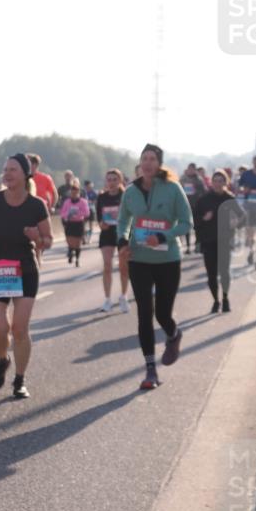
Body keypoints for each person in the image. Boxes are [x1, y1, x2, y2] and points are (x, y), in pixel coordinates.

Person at [0, 154, 54, 399]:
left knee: (19, 329)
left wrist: (36, 238)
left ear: (25, 174)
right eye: (5, 170)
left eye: (13, 170)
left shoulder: (36, 205)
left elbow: (48, 240)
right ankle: (2, 359)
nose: (7, 174)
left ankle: (20, 380)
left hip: (26, 271)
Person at [117, 144, 192, 391]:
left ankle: (173, 334)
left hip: (168, 260)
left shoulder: (172, 188)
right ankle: (150, 369)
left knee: (162, 314)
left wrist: (163, 237)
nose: (148, 163)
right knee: (144, 314)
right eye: (144, 158)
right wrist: (122, 241)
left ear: (159, 164)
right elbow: (123, 221)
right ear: (140, 163)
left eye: (152, 159)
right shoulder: (130, 191)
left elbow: (186, 223)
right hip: (139, 260)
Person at [194, 170, 245, 313]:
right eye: (215, 180)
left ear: (225, 182)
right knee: (211, 274)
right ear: (211, 182)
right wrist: (204, 218)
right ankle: (215, 301)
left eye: (220, 181)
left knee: (224, 272)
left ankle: (225, 298)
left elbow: (243, 218)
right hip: (208, 241)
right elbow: (193, 219)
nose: (217, 183)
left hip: (225, 240)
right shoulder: (203, 199)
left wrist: (235, 222)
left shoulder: (230, 198)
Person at [96, 169, 130, 313]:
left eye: (114, 179)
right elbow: (99, 218)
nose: (111, 182)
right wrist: (102, 224)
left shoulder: (126, 196)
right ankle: (107, 299)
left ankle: (123, 296)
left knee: (123, 267)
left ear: (120, 181)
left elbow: (131, 216)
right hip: (107, 234)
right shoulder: (101, 197)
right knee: (107, 265)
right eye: (109, 179)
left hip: (122, 233)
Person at [60, 179, 91, 266]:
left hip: (79, 223)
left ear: (79, 193)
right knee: (69, 241)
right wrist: (68, 214)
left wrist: (77, 213)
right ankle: (70, 252)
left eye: (75, 192)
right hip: (69, 223)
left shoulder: (83, 202)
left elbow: (87, 213)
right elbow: (62, 213)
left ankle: (77, 259)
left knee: (77, 244)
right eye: (72, 193)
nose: (73, 194)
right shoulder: (67, 202)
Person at [180, 164, 206, 253]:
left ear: (195, 170)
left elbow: (204, 192)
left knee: (197, 227)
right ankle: (187, 247)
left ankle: (197, 245)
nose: (190, 171)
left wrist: (196, 191)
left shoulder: (199, 180)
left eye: (192, 169)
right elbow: (178, 190)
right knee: (186, 226)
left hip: (196, 206)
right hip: (185, 205)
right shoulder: (183, 179)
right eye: (189, 169)